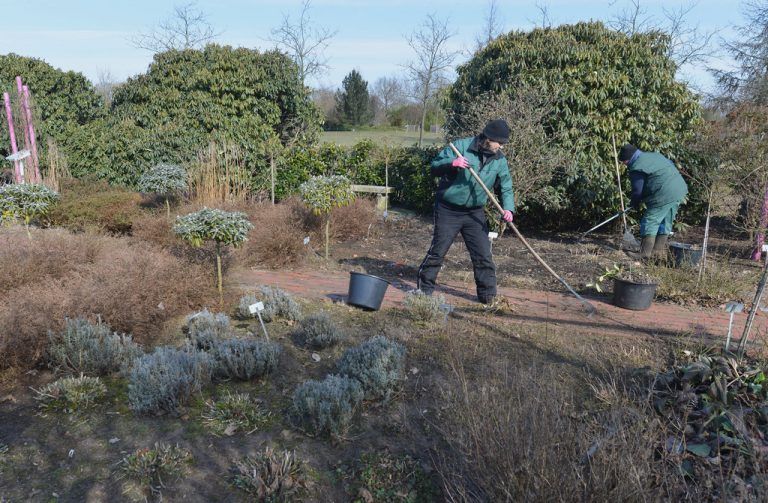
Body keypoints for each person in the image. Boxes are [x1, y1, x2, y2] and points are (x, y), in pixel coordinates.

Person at [416, 119, 515, 304]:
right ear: (488, 138)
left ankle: (488, 297)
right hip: (448, 210)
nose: (501, 146)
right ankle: (423, 293)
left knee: (483, 255)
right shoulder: (460, 147)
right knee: (438, 251)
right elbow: (434, 167)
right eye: (499, 142)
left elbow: (506, 187)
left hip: (475, 213)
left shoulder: (499, 159)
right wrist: (452, 163)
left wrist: (508, 208)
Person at [619, 143, 688, 260]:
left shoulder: (637, 166)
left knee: (650, 220)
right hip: (679, 189)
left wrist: (634, 203)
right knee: (666, 220)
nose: (625, 165)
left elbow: (637, 190)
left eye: (624, 162)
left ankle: (644, 253)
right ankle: (657, 253)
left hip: (663, 193)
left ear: (628, 159)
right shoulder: (655, 155)